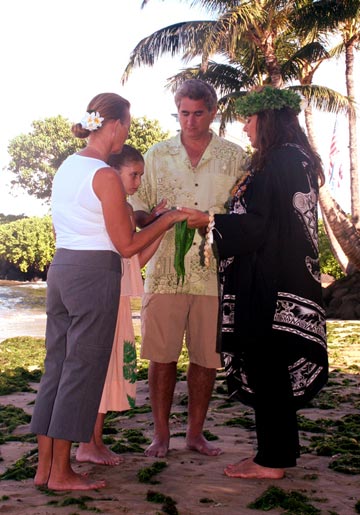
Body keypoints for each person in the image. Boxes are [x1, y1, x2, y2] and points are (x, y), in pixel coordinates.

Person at [30, 93, 187, 491]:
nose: (126, 136)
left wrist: (145, 218)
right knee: (82, 372)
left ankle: (45, 469)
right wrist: (167, 220)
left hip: (62, 269)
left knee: (57, 369)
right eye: (128, 128)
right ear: (114, 125)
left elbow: (91, 223)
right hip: (93, 275)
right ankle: (62, 473)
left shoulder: (69, 166)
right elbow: (127, 246)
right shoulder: (102, 174)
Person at [180, 86, 328, 479]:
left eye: (249, 119)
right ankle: (275, 453)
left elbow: (261, 225)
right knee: (271, 371)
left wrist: (210, 222)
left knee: (268, 370)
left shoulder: (279, 161)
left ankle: (271, 461)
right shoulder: (294, 159)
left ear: (268, 120)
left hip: (271, 286)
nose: (244, 127)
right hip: (283, 279)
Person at [130, 79, 246, 458]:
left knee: (205, 359)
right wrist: (157, 216)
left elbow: (245, 216)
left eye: (199, 113)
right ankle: (161, 435)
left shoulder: (236, 157)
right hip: (164, 271)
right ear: (176, 112)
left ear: (213, 113)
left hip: (215, 274)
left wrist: (209, 220)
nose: (191, 121)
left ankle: (195, 433)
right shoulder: (156, 154)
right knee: (161, 357)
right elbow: (137, 209)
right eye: (184, 113)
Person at [76, 145, 165, 466]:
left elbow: (133, 261)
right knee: (101, 369)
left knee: (110, 368)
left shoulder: (124, 208)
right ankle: (87, 443)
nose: (138, 181)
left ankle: (94, 441)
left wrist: (160, 228)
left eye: (141, 175)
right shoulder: (119, 209)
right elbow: (129, 253)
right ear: (113, 172)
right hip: (105, 295)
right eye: (134, 174)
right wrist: (162, 225)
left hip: (115, 295)